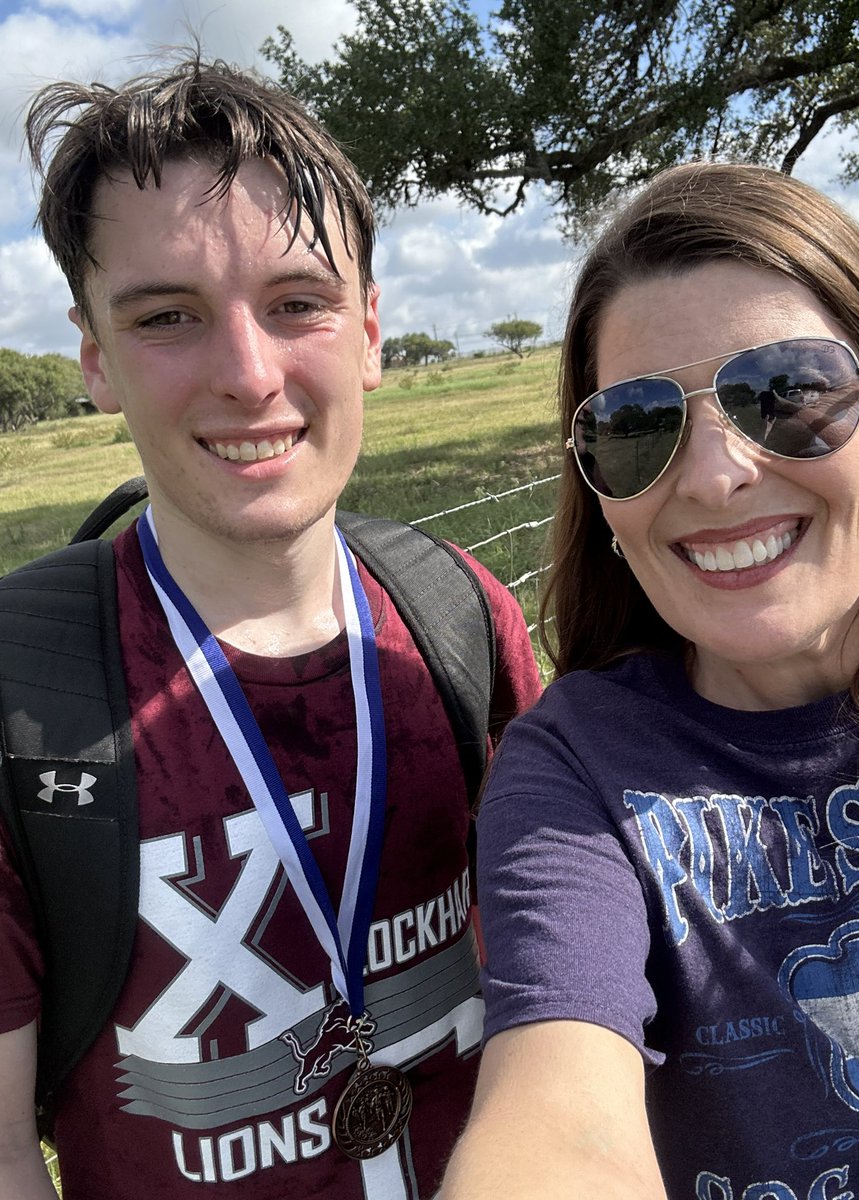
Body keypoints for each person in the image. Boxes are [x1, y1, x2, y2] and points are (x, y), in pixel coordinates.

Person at [0, 57, 541, 1199]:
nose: (249, 375)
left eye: (299, 302)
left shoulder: (462, 616)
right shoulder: (18, 694)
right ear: (93, 356)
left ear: (373, 333)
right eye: (167, 318)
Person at [441, 162, 859, 1199]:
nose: (714, 475)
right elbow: (557, 1131)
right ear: (598, 491)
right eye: (640, 426)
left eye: (789, 392)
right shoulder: (576, 777)